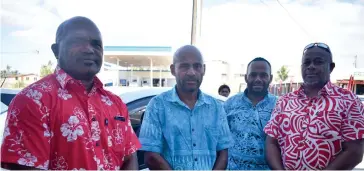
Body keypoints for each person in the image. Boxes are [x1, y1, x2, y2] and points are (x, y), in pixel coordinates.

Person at [1, 16, 141, 170]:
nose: (89, 49)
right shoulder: (33, 100)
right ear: (56, 50)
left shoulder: (115, 103)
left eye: (96, 44)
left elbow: (130, 156)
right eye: (78, 42)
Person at [264, 42, 364, 170]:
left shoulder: (349, 101)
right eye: (307, 63)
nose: (311, 66)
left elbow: (354, 152)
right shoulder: (285, 101)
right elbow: (271, 142)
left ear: (331, 67)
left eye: (318, 62)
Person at [138, 45, 233, 170]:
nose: (191, 72)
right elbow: (151, 156)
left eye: (197, 66)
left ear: (203, 69)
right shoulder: (157, 106)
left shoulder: (216, 108)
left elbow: (223, 153)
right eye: (184, 66)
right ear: (173, 70)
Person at [224, 57, 277, 170]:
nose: (258, 79)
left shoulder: (280, 106)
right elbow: (221, 141)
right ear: (246, 77)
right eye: (253, 75)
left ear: (271, 78)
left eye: (263, 75)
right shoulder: (229, 104)